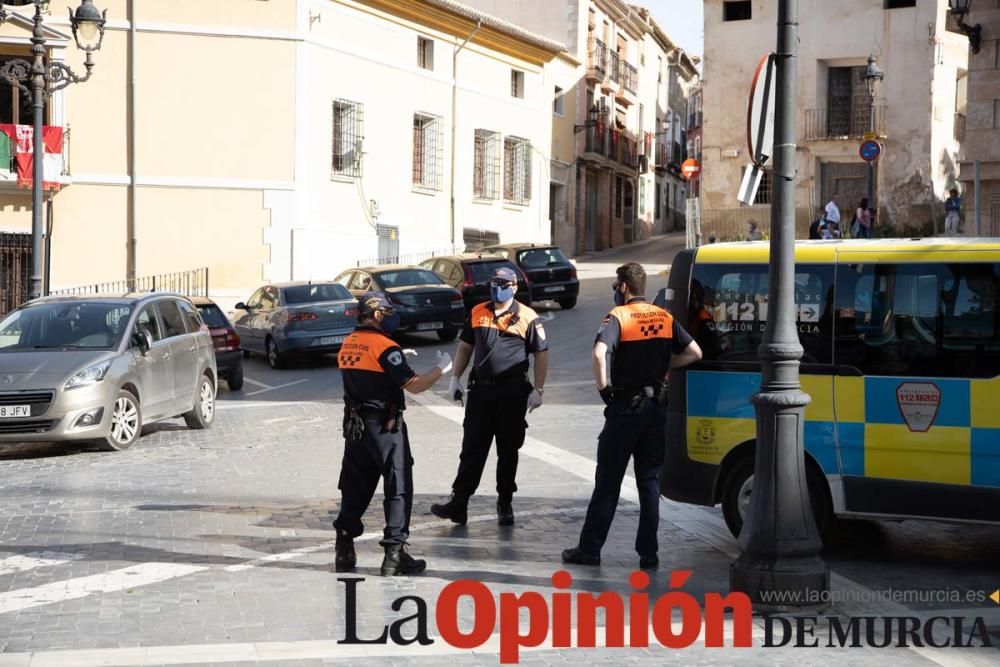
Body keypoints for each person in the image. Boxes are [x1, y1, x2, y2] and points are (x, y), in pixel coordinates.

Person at [562, 263, 702, 570]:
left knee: (608, 480)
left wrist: (605, 390)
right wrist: (666, 362)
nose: (615, 289)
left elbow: (600, 354)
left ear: (624, 286)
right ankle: (648, 554)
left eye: (616, 284)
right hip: (656, 409)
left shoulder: (618, 317)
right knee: (649, 481)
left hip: (626, 408)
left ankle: (590, 548)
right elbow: (695, 353)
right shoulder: (664, 317)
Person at [333, 292, 452, 577]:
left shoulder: (348, 343)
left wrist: (396, 358)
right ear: (375, 314)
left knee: (355, 486)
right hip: (385, 427)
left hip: (356, 428)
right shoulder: (385, 347)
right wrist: (441, 369)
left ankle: (344, 546)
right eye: (386, 313)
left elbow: (371, 369)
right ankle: (394, 554)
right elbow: (415, 385)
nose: (391, 318)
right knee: (398, 485)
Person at [431, 267, 548, 527]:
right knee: (472, 449)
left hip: (512, 393)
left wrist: (539, 390)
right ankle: (459, 503)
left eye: (503, 283)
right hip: (481, 392)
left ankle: (504, 502)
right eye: (494, 282)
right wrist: (454, 378)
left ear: (515, 287)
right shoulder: (477, 311)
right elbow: (465, 346)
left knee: (508, 450)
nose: (498, 287)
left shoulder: (528, 317)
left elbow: (541, 354)